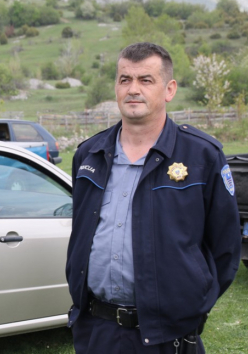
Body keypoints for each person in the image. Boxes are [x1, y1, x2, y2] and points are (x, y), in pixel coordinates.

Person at [66, 42, 240, 353]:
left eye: (146, 80)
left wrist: (193, 306)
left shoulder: (202, 156)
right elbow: (80, 234)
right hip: (96, 329)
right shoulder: (88, 155)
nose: (133, 89)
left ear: (169, 89)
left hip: (167, 336)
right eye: (124, 79)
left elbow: (225, 249)